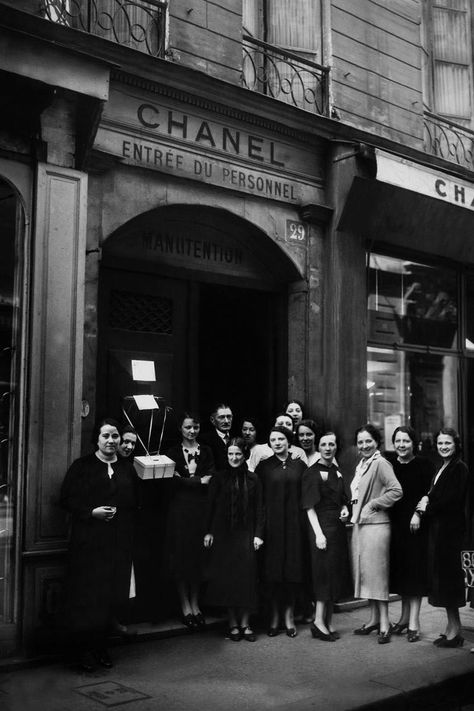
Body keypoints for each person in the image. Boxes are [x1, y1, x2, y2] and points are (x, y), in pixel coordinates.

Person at [60, 418, 137, 671]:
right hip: (89, 542)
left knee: (109, 596)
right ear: (97, 438)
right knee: (87, 597)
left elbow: (134, 501)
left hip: (117, 543)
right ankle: (82, 651)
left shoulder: (127, 468)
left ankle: (101, 647)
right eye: (106, 436)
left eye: (115, 436)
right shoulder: (82, 466)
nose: (112, 441)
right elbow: (67, 499)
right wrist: (91, 512)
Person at [204, 438, 264, 641]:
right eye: (230, 454)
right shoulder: (218, 479)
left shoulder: (254, 479)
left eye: (238, 453)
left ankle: (245, 623)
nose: (234, 457)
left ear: (244, 455)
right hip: (224, 536)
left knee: (246, 579)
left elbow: (260, 509)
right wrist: (209, 532)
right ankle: (232, 623)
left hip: (246, 535)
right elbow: (211, 508)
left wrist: (258, 534)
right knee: (228, 580)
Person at [416, 427, 469, 647]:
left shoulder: (459, 468)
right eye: (440, 444)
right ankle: (450, 627)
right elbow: (434, 494)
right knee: (444, 582)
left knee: (449, 583)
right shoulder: (444, 467)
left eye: (447, 443)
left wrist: (426, 507)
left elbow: (452, 501)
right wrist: (426, 500)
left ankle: (455, 631)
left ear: (456, 445)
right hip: (440, 533)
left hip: (450, 535)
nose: (443, 447)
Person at [351, 424, 402, 644]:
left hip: (377, 527)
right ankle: (373, 620)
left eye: (368, 441)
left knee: (377, 578)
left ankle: (384, 624)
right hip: (363, 526)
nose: (364, 445)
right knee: (367, 576)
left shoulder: (381, 463)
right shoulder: (362, 464)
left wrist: (374, 504)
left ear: (376, 442)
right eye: (360, 442)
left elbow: (396, 490)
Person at [256, 425, 307, 638]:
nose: (277, 443)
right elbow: (259, 501)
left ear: (289, 441)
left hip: (295, 527)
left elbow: (308, 495)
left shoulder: (300, 466)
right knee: (273, 573)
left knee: (292, 573)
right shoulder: (264, 467)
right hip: (273, 528)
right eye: (273, 440)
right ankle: (275, 616)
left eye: (281, 439)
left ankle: (288, 616)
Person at [165, 413, 215, 630]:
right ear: (180, 429)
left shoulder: (207, 451)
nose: (192, 431)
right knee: (181, 558)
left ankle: (195, 604)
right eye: (188, 427)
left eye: (195, 427)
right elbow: (171, 484)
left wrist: (185, 481)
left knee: (198, 559)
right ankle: (184, 605)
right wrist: (197, 481)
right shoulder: (172, 452)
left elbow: (211, 480)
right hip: (179, 512)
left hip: (201, 512)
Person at [302, 431, 351, 641]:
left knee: (333, 575)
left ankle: (327, 622)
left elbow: (342, 498)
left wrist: (345, 508)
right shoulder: (311, 473)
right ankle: (318, 622)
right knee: (323, 576)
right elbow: (309, 507)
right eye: (324, 444)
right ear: (318, 447)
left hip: (337, 529)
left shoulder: (337, 471)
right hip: (321, 529)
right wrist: (318, 534)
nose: (328, 448)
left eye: (332, 444)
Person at [388, 426, 435, 642]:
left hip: (416, 526)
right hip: (396, 526)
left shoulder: (424, 464)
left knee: (414, 574)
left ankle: (414, 622)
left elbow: (429, 494)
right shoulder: (390, 465)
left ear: (413, 443)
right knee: (402, 573)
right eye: (398, 441)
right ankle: (404, 618)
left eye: (405, 441)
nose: (401, 445)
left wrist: (418, 513)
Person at [200, 403, 234, 470]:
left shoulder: (236, 437)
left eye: (229, 417)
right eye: (221, 417)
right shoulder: (205, 440)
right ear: (212, 420)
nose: (226, 421)